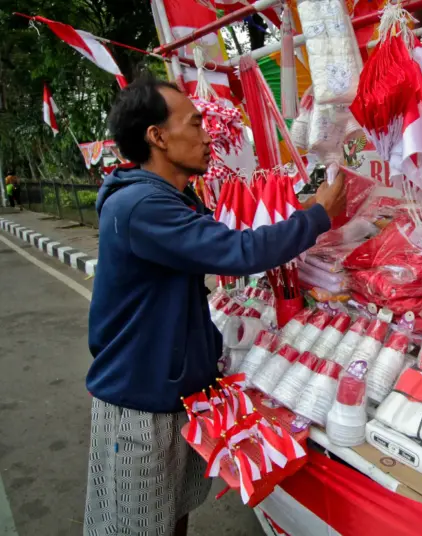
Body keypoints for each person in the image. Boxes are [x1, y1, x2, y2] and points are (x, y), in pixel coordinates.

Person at [83, 76, 346, 536]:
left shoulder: (168, 198)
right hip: (140, 399)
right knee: (136, 526)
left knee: (170, 515)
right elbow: (237, 251)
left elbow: (229, 234)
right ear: (158, 136)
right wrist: (316, 216)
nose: (209, 136)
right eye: (196, 124)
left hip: (171, 392)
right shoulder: (141, 205)